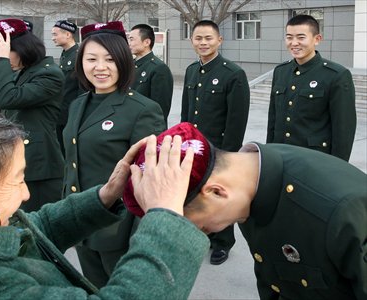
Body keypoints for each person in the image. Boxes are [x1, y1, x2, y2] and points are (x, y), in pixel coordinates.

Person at [0, 102, 210, 298]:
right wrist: (165, 216)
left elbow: (26, 237)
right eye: (17, 179)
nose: (27, 192)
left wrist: (106, 197)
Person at [124, 122, 367, 300]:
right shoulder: (249, 181)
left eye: (191, 223)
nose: (201, 233)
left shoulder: (339, 211)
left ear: (216, 192)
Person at [62, 21, 166, 288]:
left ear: (123, 61)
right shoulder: (77, 104)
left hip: (118, 230)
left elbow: (150, 179)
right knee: (94, 288)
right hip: (82, 222)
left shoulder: (142, 109)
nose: (100, 67)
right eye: (91, 59)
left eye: (109, 59)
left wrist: (138, 237)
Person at [180, 20, 250, 265]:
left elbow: (236, 120)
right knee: (194, 195)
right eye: (198, 38)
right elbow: (186, 113)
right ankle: (201, 236)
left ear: (219, 40)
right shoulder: (191, 70)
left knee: (219, 196)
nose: (203, 43)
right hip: (195, 146)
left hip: (219, 149)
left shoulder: (233, 74)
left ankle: (223, 242)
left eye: (208, 38)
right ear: (192, 41)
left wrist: (228, 156)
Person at [0, 18, 64, 211]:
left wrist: (0, 64)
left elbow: (8, 99)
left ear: (22, 49)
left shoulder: (48, 74)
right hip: (15, 158)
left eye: (4, 51)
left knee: (39, 229)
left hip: (39, 166)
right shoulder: (21, 72)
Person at [267, 14, 356, 161]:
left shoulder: (336, 75)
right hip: (280, 155)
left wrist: (337, 168)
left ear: (317, 39)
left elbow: (343, 130)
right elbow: (273, 119)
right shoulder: (281, 71)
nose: (294, 43)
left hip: (314, 160)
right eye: (289, 37)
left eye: (301, 37)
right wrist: (269, 153)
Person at [128, 23, 174, 125]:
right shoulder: (132, 65)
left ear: (147, 42)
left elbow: (160, 109)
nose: (129, 43)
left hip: (147, 129)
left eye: (132, 39)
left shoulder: (159, 68)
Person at [51, 20, 84, 154]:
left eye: (55, 34)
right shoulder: (65, 55)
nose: (53, 38)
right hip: (61, 112)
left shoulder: (78, 55)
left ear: (68, 34)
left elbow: (82, 88)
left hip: (71, 113)